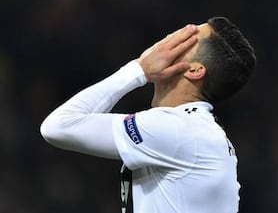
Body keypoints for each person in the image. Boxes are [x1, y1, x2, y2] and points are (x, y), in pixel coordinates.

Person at [40, 16, 256, 213]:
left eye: (187, 38)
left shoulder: (180, 128)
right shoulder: (197, 129)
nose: (171, 38)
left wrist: (138, 69)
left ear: (194, 70)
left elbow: (58, 127)